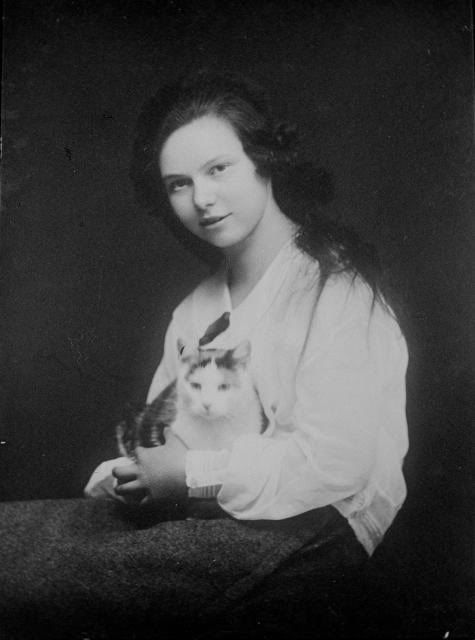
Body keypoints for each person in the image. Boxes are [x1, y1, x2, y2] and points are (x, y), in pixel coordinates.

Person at [0, 69, 409, 638]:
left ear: (264, 160)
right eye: (178, 184)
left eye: (219, 169)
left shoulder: (334, 286)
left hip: (318, 535)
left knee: (24, 579)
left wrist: (190, 473)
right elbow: (162, 445)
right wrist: (137, 476)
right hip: (208, 516)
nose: (202, 199)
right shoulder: (194, 312)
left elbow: (337, 465)